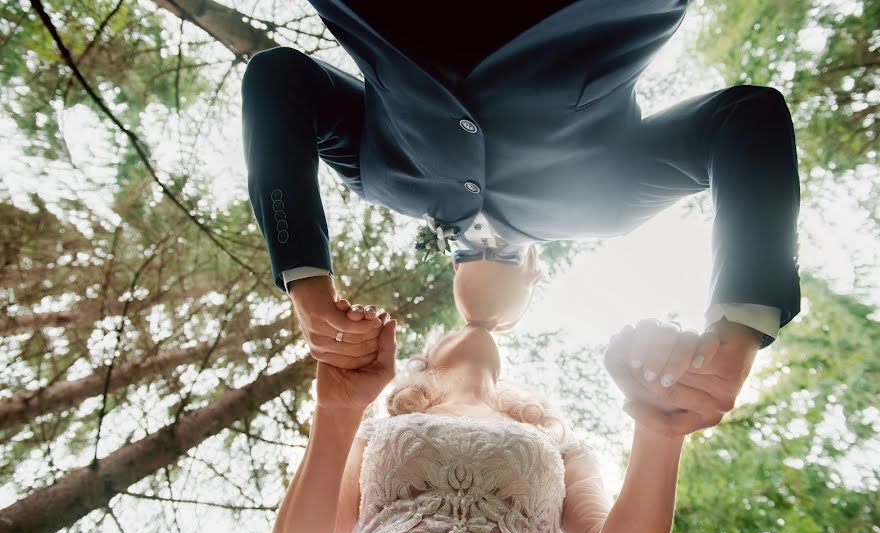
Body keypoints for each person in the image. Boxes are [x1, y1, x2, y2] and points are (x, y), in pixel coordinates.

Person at [240, 0, 802, 436]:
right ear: (537, 272)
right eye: (503, 324)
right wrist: (741, 325)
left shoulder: (381, 179)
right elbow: (745, 121)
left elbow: (278, 79)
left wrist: (304, 278)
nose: (486, 320)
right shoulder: (601, 209)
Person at [259, 298, 728, 533]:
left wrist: (660, 433)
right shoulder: (379, 429)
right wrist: (337, 410)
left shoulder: (560, 445)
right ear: (423, 362)